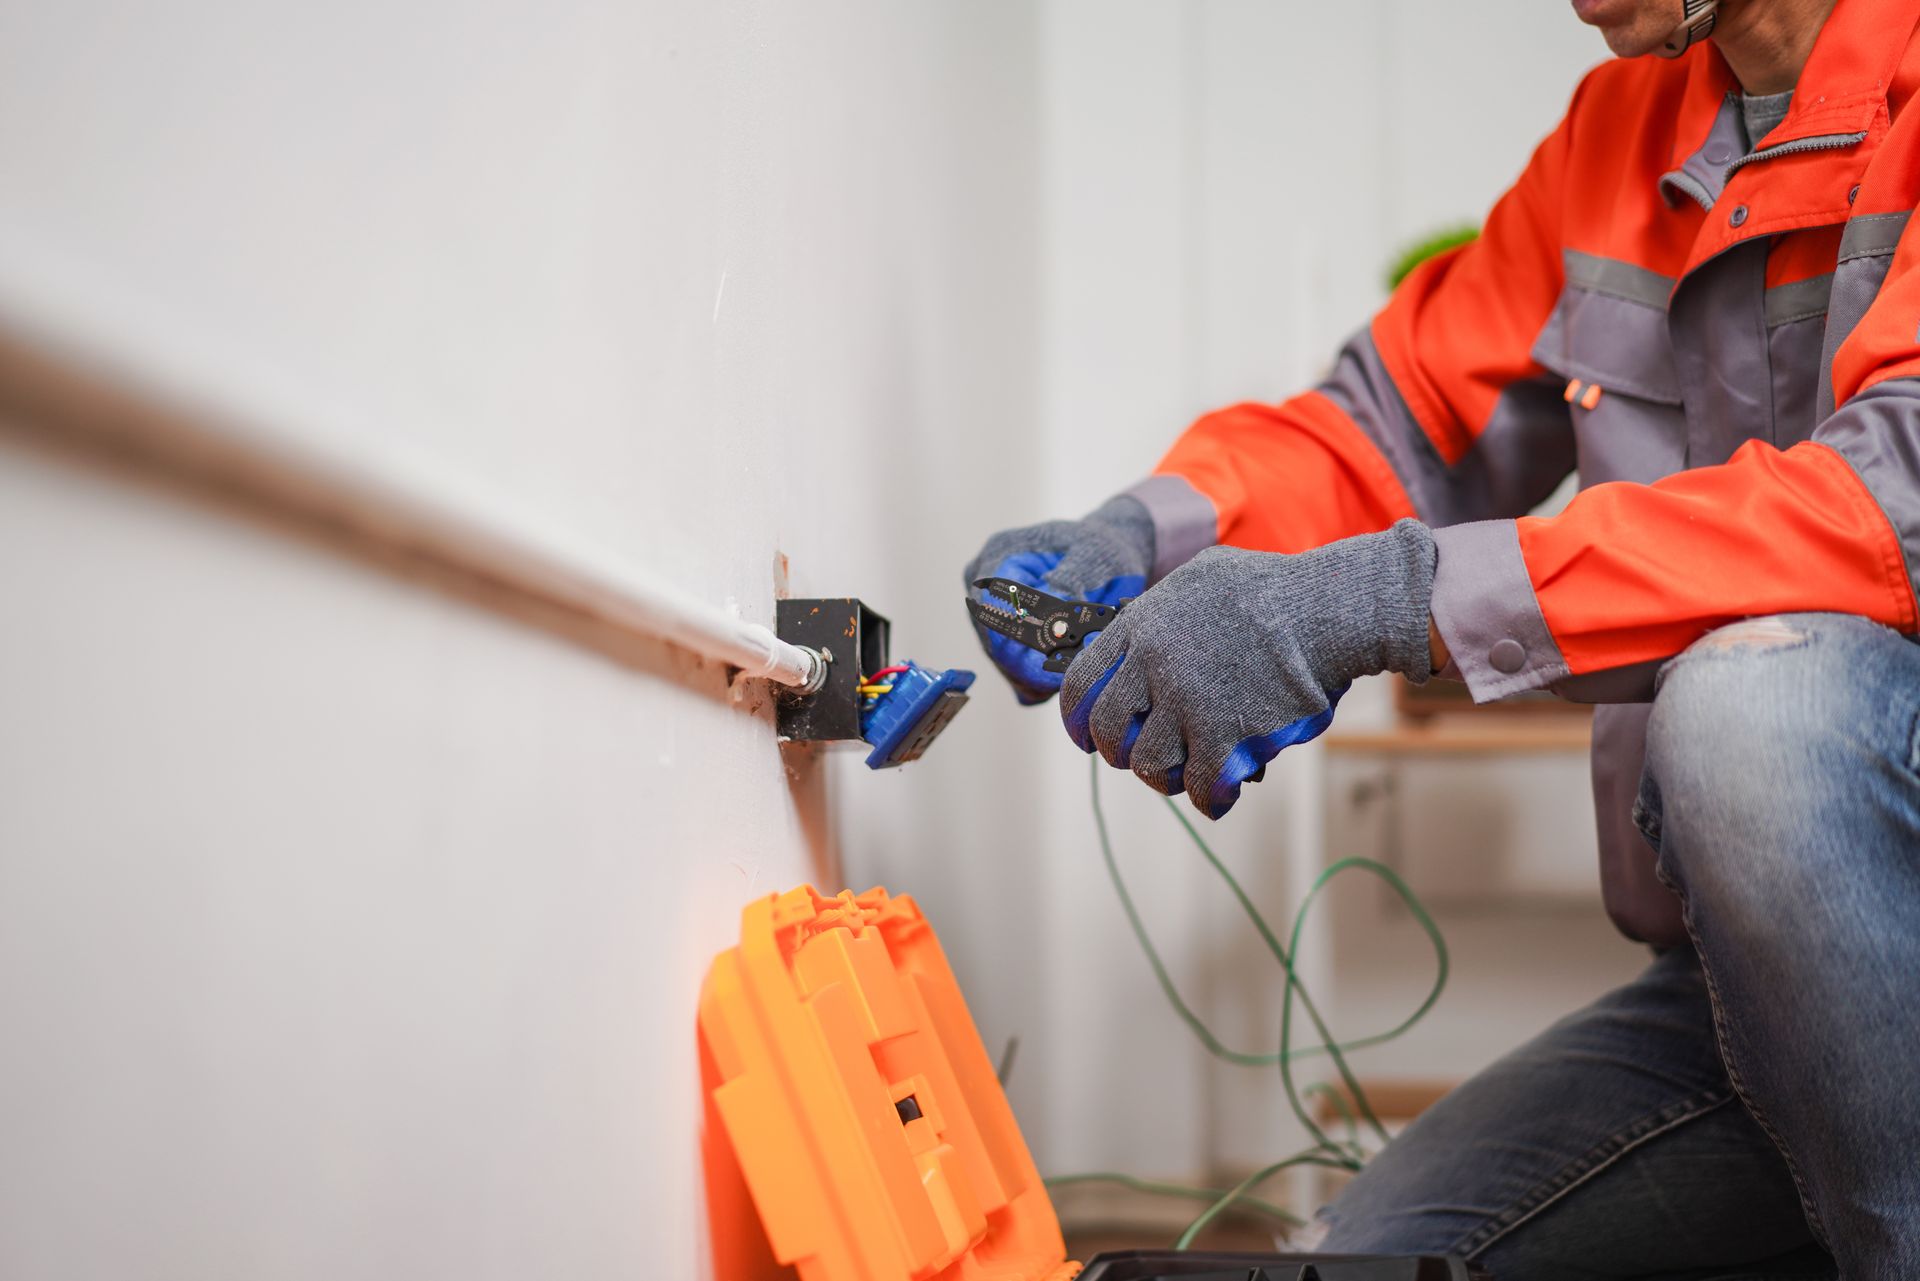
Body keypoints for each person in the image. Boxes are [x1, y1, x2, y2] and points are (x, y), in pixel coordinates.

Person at [964, 0, 1920, 1273]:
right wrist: (1140, 533)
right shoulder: (1620, 139)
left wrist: (1379, 604)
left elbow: (1890, 504)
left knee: (1756, 713)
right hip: (1746, 994)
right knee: (1358, 1260)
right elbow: (1397, 425)